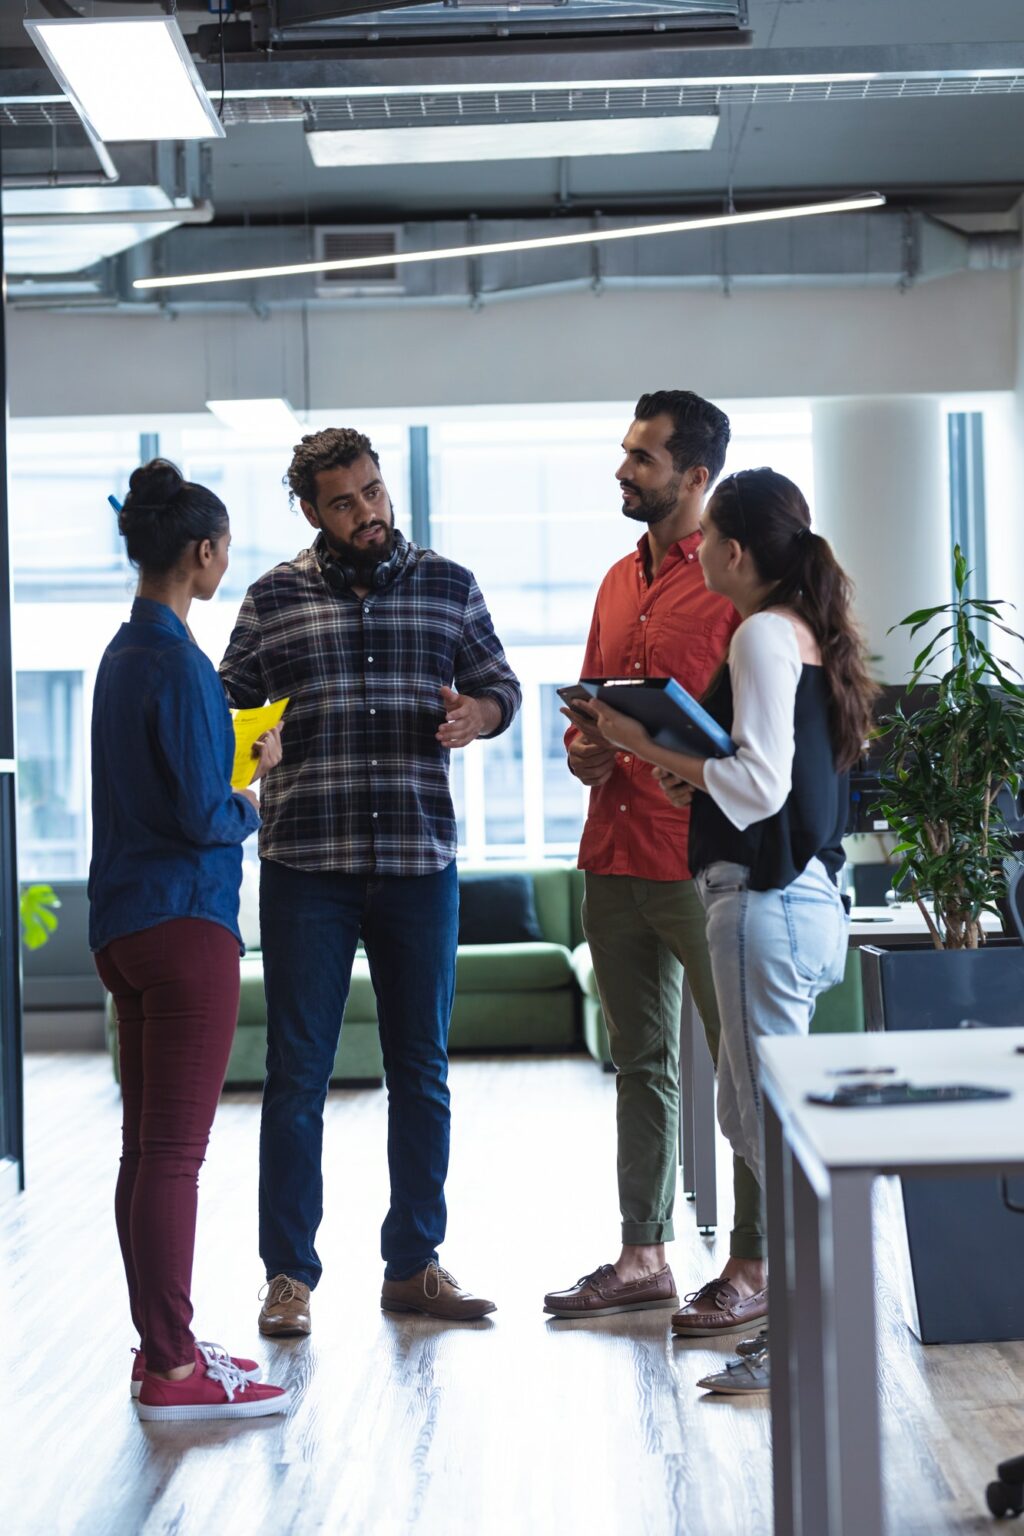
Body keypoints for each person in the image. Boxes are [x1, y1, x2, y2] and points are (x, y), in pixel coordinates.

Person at [219, 426, 522, 1333]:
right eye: (344, 502)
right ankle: (289, 1276)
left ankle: (414, 1265)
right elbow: (230, 700)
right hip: (307, 865)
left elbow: (500, 685)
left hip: (418, 864)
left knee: (421, 1072)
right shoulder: (274, 597)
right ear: (311, 512)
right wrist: (246, 745)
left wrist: (479, 712)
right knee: (297, 1074)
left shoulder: (448, 584)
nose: (367, 513)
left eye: (374, 493)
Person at [582, 466, 876, 1393]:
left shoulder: (757, 634)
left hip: (762, 905)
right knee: (768, 1127)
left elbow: (758, 788)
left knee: (764, 1133)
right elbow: (767, 781)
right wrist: (688, 776)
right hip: (805, 901)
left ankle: (801, 1342)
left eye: (708, 539)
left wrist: (642, 747)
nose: (696, 549)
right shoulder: (805, 635)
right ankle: (806, 1335)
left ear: (737, 551)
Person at [543, 390, 769, 1339]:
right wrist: (585, 746)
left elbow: (753, 735)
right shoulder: (612, 579)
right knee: (640, 1061)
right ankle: (644, 1256)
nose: (624, 469)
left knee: (741, 1070)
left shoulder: (731, 581)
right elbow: (596, 711)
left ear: (695, 476)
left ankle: (754, 1264)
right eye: (626, 452)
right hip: (613, 852)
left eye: (642, 457)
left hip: (702, 860)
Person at [90, 458, 288, 1422]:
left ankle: (159, 1347)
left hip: (123, 925)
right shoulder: (181, 665)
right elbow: (205, 813)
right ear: (203, 553)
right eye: (224, 553)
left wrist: (226, 771)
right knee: (175, 1156)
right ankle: (174, 1366)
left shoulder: (124, 655)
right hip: (186, 925)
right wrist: (253, 786)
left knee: (144, 1153)